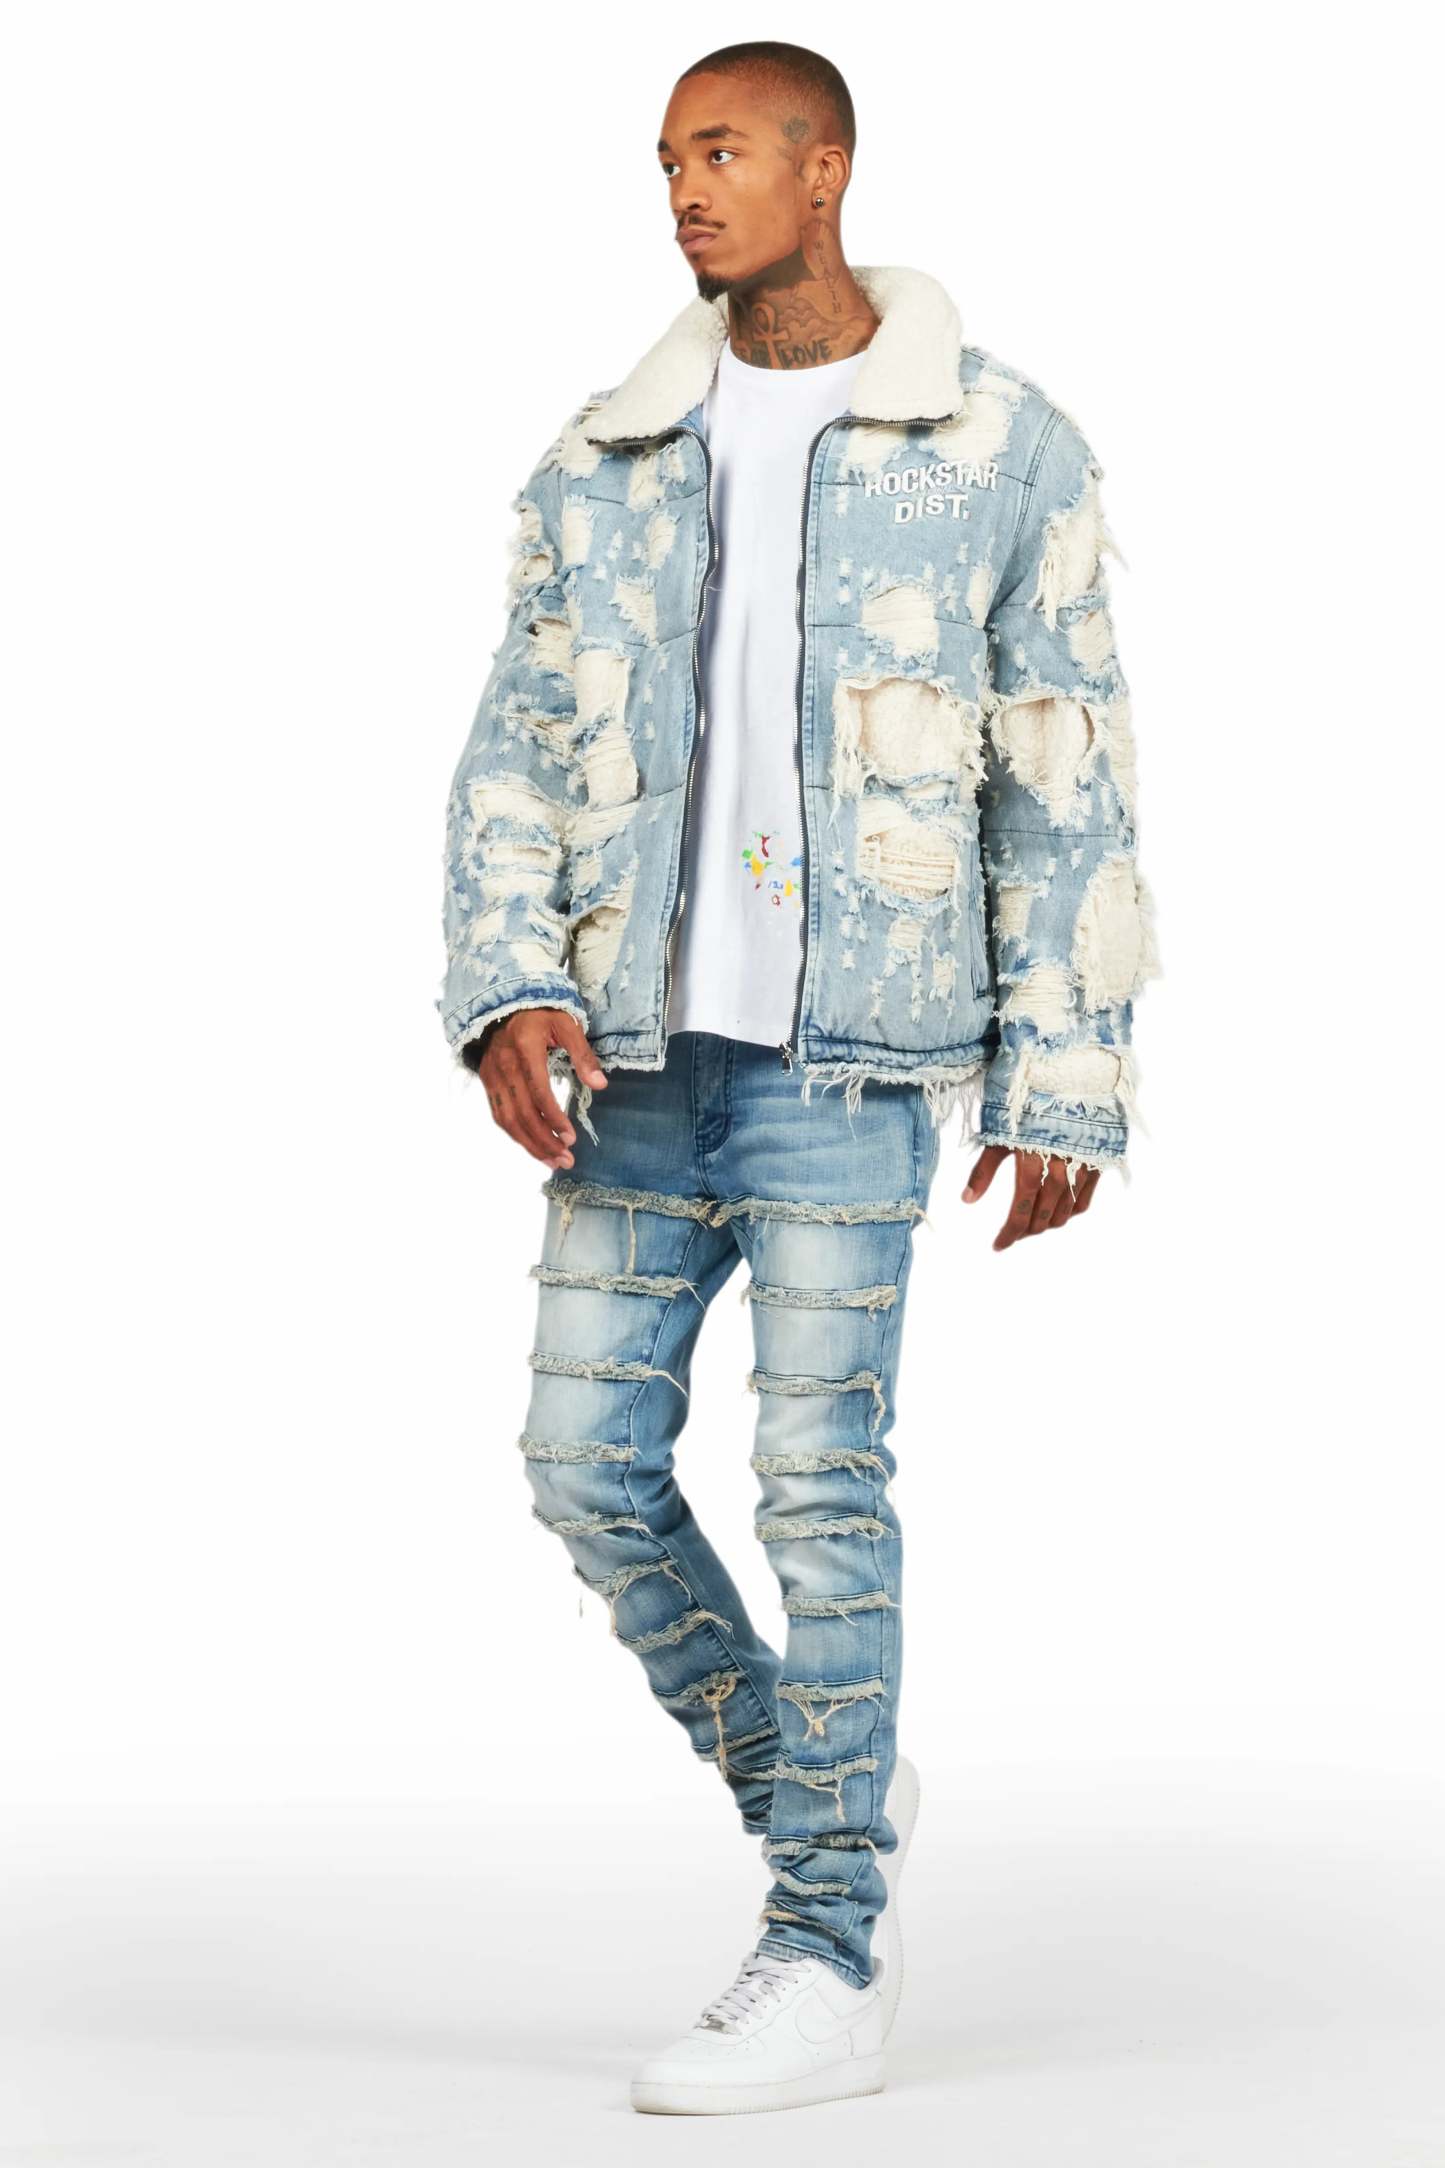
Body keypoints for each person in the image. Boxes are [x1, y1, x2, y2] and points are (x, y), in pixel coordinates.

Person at [438, 39, 1155, 2116]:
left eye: (726, 150)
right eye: (669, 158)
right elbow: (514, 743)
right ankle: (828, 1784)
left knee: (820, 1492)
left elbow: (1065, 768)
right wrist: (505, 985)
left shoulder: (995, 441)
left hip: (854, 1061)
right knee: (581, 1464)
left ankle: (828, 1944)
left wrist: (1067, 1068)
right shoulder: (608, 452)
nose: (687, 188)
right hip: (636, 1053)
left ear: (825, 170)